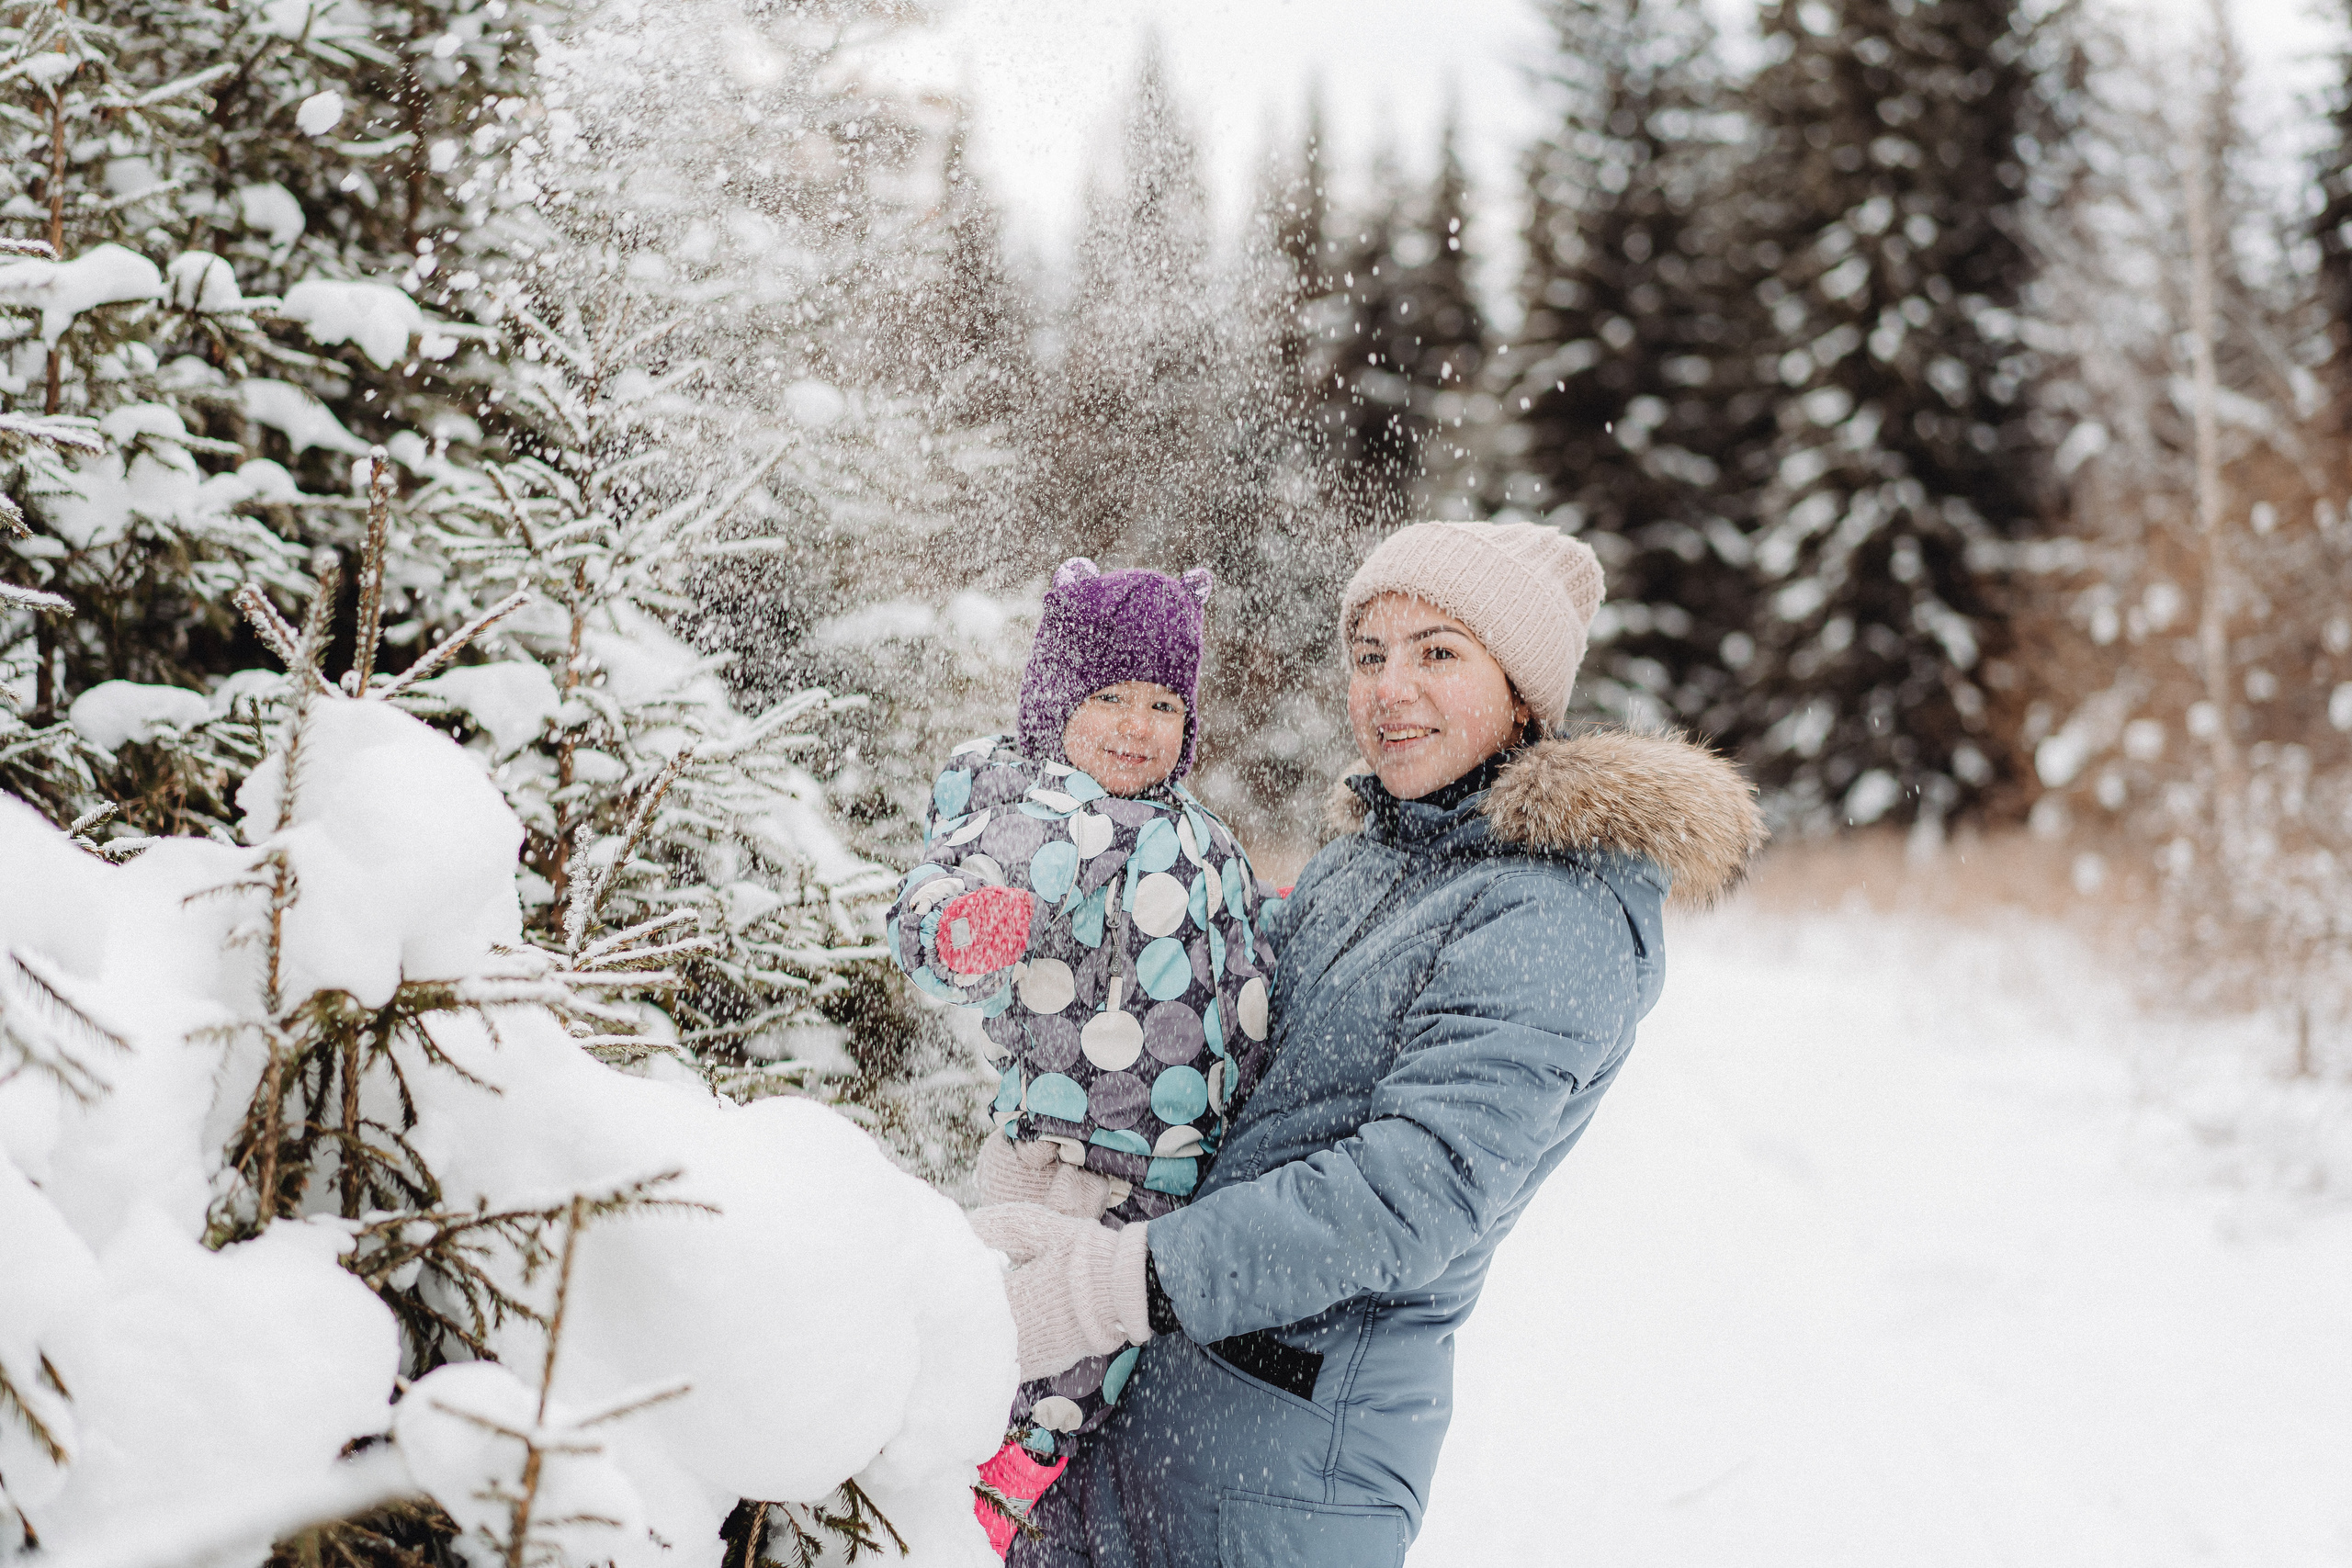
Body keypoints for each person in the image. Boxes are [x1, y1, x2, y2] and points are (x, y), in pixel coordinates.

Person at [970, 520, 1764, 1567]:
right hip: (1149, 1416)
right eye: (1369, 656)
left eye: (1438, 652)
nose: (1390, 689)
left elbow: (1407, 1194)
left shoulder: (1549, 915)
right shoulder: (1372, 857)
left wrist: (1109, 1285)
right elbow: (1214, 1031)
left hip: (1288, 1470)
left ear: (1522, 692)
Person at [883, 558, 1278, 1556]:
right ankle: (957, 1511)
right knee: (1040, 1356)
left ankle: (994, 1497)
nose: (1138, 726)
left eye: (1162, 703)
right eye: (1109, 697)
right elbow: (932, 896)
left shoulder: (1202, 832)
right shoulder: (1036, 813)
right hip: (1077, 1153)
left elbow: (1243, 934)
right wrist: (959, 930)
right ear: (1058, 698)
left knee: (1105, 1364)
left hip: (1178, 1161)